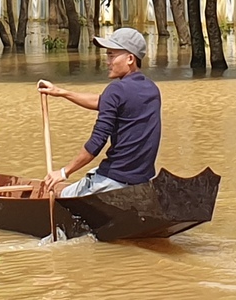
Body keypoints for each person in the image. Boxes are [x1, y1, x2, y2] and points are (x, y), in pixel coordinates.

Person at [39, 26, 159, 198]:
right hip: (142, 180)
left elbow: (96, 143)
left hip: (114, 179)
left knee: (62, 197)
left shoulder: (116, 90)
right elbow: (103, 102)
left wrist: (64, 172)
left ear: (130, 58)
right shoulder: (151, 90)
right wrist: (61, 92)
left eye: (111, 55)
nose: (107, 61)